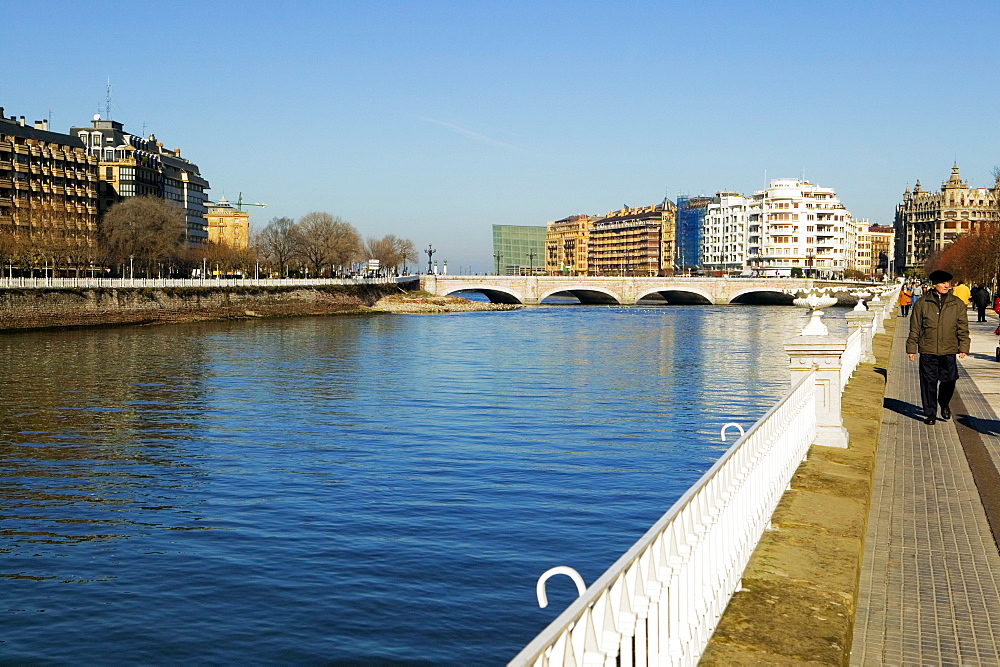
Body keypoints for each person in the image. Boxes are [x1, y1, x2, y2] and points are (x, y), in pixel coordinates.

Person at [907, 270, 970, 425]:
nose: (946, 285)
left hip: (949, 349)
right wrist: (911, 348)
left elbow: (963, 327)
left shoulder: (957, 304)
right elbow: (915, 327)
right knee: (928, 382)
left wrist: (964, 346)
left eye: (948, 283)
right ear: (934, 284)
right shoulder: (922, 303)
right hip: (928, 349)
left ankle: (944, 402)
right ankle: (930, 414)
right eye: (943, 283)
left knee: (950, 380)